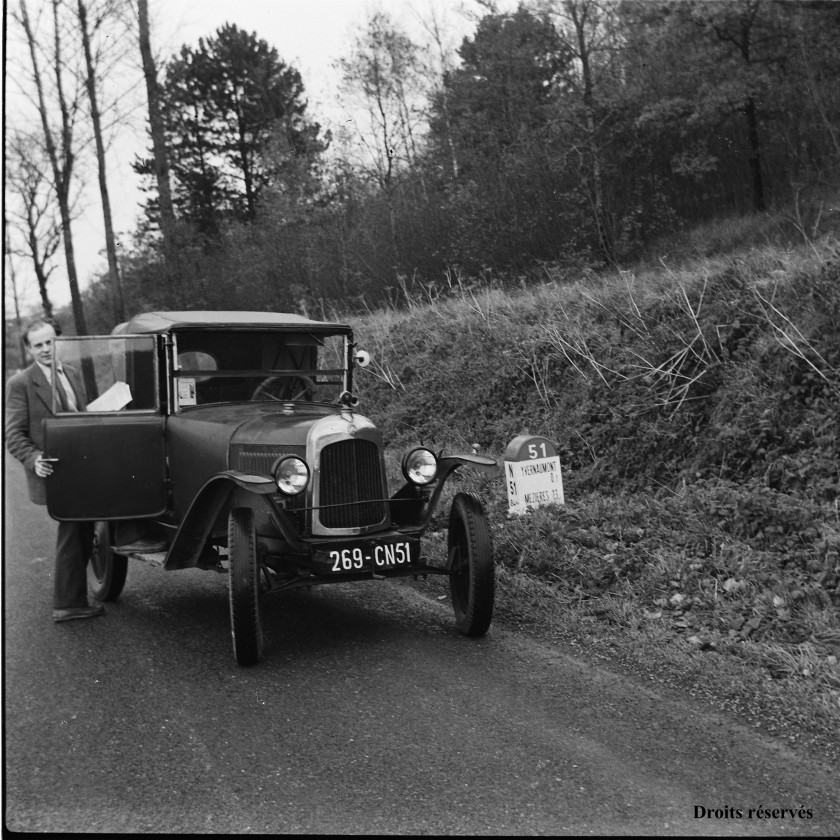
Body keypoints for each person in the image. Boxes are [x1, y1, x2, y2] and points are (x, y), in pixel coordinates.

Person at [5, 319, 104, 623]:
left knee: (81, 528)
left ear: (59, 341)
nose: (46, 349)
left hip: (82, 465)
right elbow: (12, 433)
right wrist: (33, 458)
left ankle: (71, 599)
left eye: (50, 342)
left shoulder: (72, 373)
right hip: (55, 470)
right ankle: (68, 603)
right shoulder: (20, 383)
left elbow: (80, 417)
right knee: (74, 529)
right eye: (38, 345)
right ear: (30, 349)